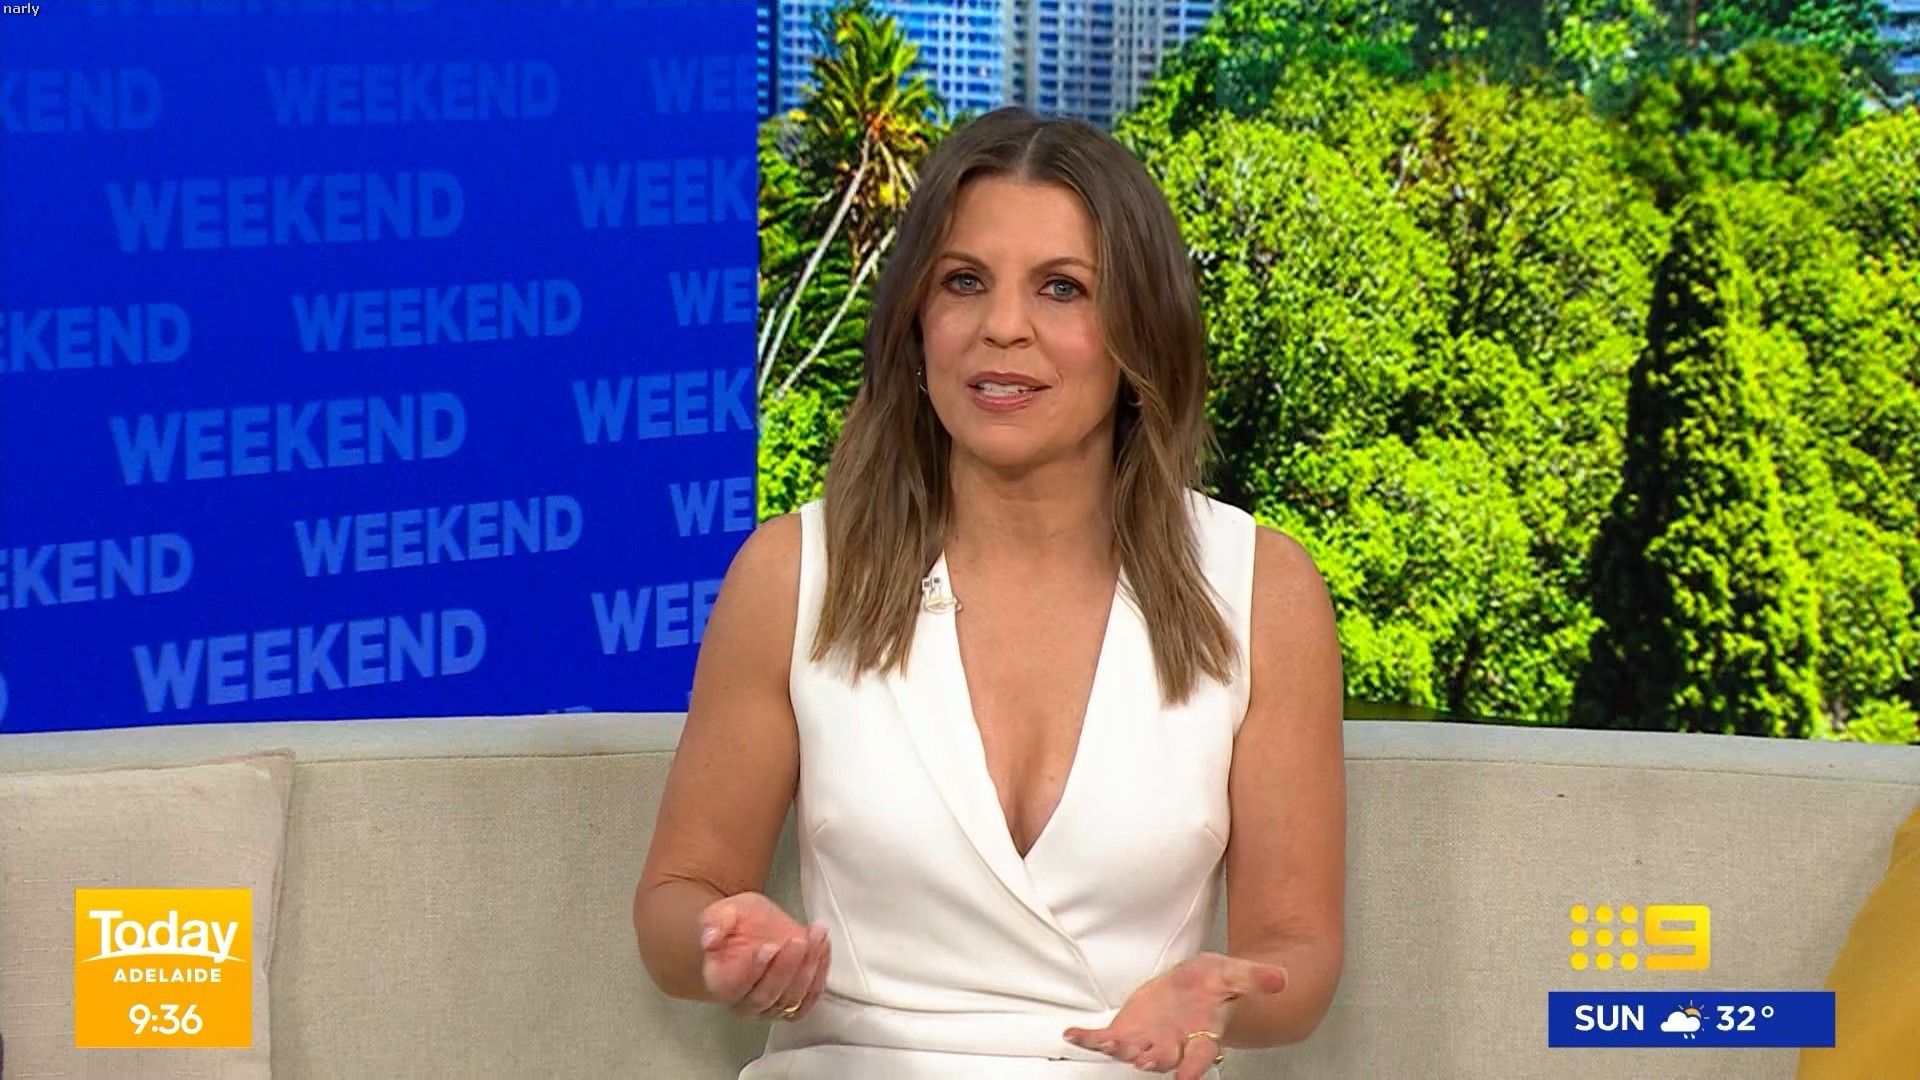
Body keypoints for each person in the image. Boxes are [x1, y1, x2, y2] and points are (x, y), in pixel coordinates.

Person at [633, 105, 1346, 1079]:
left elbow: (1297, 950)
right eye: (964, 281)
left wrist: (1219, 999)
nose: (1003, 327)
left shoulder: (1261, 590)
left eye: (1063, 289)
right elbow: (677, 897)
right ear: (917, 321)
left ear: (1140, 333)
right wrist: (725, 945)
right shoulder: (793, 573)